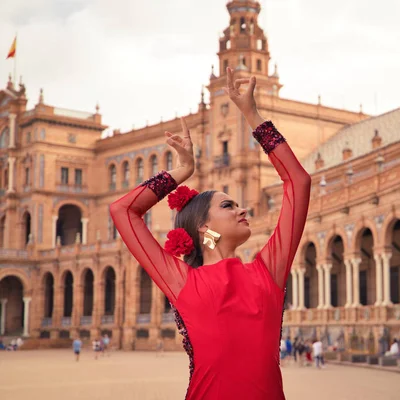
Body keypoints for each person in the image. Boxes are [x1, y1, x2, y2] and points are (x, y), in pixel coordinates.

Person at [110, 67, 310, 400]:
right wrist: (181, 171)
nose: (242, 210)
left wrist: (252, 114)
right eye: (228, 206)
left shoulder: (267, 272)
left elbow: (298, 183)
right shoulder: (183, 280)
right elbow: (122, 211)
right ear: (204, 226)